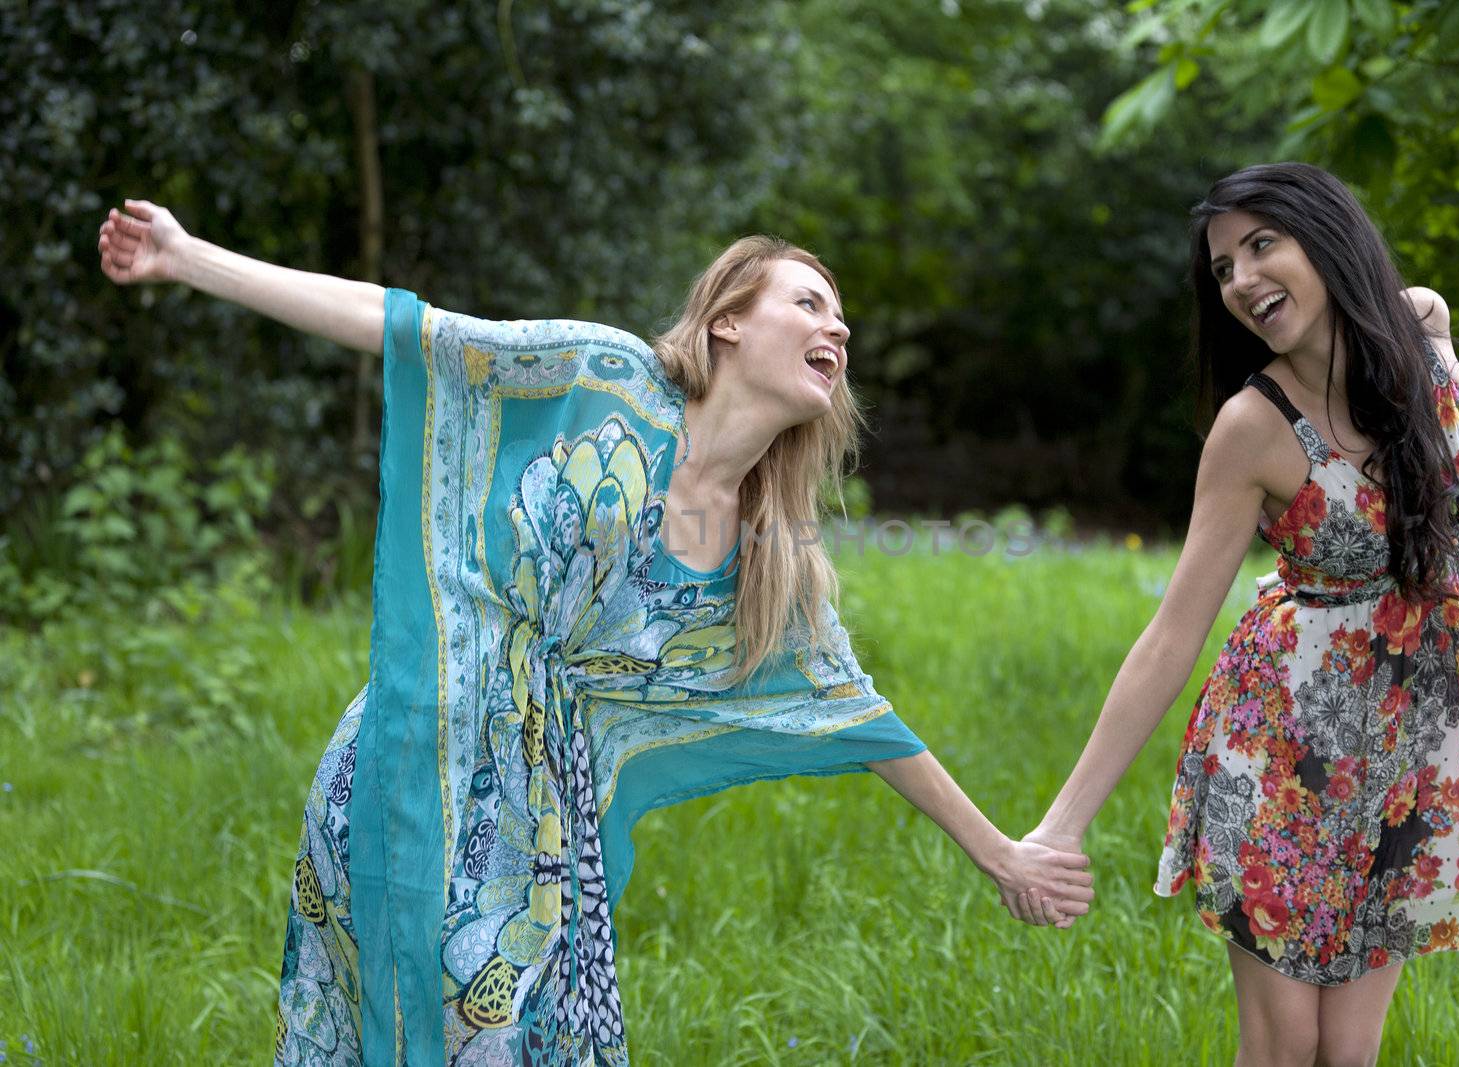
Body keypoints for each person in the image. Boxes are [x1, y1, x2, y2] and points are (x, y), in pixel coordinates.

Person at [97, 201, 1093, 1066]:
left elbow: (855, 711)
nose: (835, 325)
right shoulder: (599, 378)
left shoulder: (767, 552)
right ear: (729, 320)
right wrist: (191, 259)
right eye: (808, 302)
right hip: (418, 753)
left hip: (543, 827)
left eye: (841, 317)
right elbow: (410, 328)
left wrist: (1001, 851)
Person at [1023, 163, 1459, 1065]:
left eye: (1261, 246)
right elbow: (1174, 631)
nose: (1241, 280)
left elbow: (1447, 502)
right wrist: (1063, 823)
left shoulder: (1424, 344)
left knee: (1351, 1050)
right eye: (1221, 269)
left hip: (1411, 747)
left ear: (1326, 240)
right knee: (1287, 1046)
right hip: (1284, 749)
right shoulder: (1255, 425)